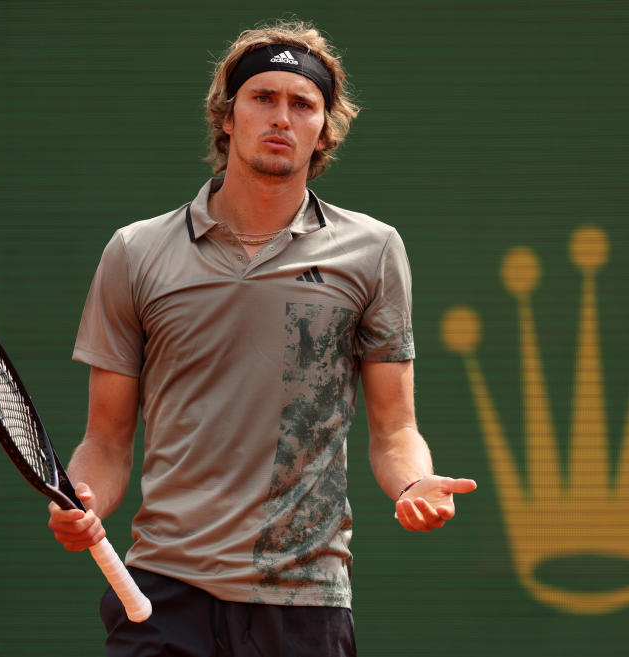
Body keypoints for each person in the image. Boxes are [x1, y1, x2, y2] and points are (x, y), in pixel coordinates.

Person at [48, 19, 477, 656]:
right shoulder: (135, 252)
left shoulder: (373, 251)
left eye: (302, 104)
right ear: (228, 117)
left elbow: (394, 429)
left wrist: (415, 484)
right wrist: (81, 502)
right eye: (263, 98)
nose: (282, 117)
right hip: (165, 592)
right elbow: (106, 441)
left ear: (322, 129)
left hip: (304, 600)